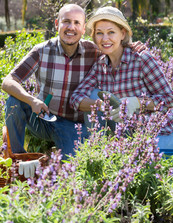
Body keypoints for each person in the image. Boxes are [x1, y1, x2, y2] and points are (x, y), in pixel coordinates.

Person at [2, 4, 145, 160]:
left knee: (70, 168)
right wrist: (32, 100)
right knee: (14, 101)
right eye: (66, 21)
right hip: (43, 119)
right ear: (57, 24)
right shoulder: (42, 51)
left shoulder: (94, 52)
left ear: (84, 29)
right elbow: (8, 81)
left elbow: (114, 46)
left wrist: (130, 46)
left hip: (73, 127)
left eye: (77, 23)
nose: (71, 27)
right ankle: (16, 158)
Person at [70, 6, 173, 153]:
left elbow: (169, 99)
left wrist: (137, 102)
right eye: (99, 33)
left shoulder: (141, 59)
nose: (105, 39)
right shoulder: (100, 65)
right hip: (125, 135)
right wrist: (101, 106)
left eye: (111, 32)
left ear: (122, 34)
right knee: (94, 94)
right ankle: (100, 151)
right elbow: (75, 98)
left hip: (157, 133)